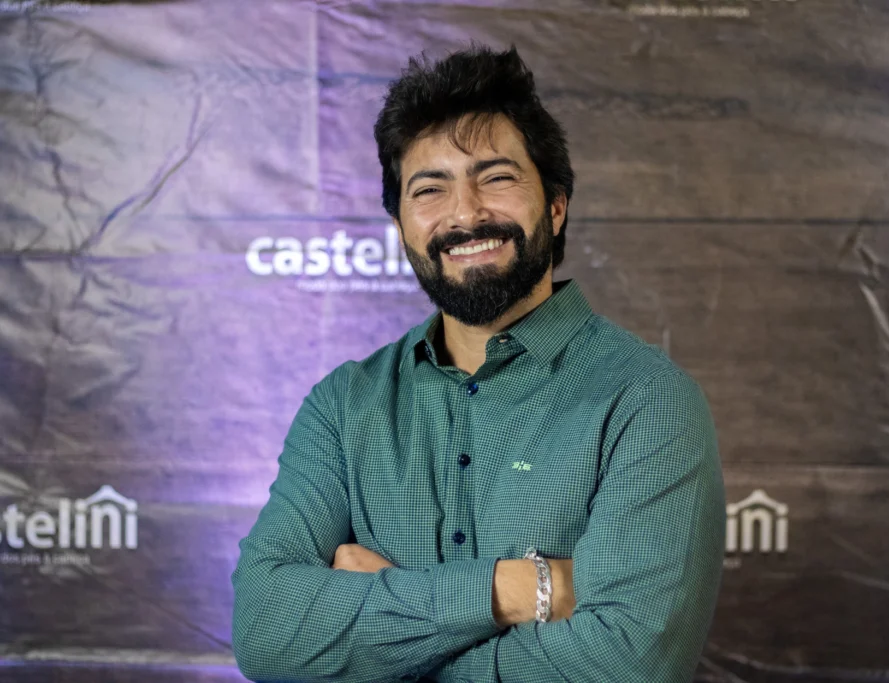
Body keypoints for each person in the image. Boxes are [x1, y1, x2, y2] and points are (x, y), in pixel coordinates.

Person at [231, 43, 725, 683]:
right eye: (429, 189)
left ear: (555, 205)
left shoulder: (646, 401)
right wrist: (523, 588)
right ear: (401, 227)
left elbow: (631, 664)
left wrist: (387, 638)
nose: (465, 213)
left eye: (496, 178)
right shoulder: (344, 407)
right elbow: (265, 632)